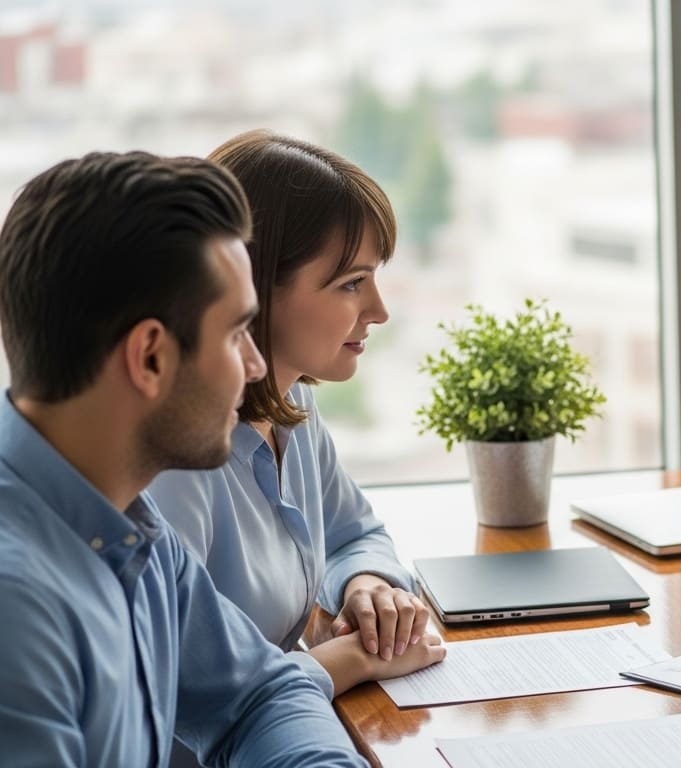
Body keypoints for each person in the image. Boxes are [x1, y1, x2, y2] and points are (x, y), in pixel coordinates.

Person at [0, 151, 367, 766]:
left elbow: (260, 695)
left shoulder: (132, 534)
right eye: (234, 336)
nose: (255, 367)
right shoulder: (19, 611)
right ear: (149, 357)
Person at [147, 130, 445, 707]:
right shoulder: (175, 461)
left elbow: (353, 533)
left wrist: (369, 587)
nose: (379, 310)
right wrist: (346, 660)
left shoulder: (293, 407)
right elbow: (186, 690)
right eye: (352, 283)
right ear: (252, 288)